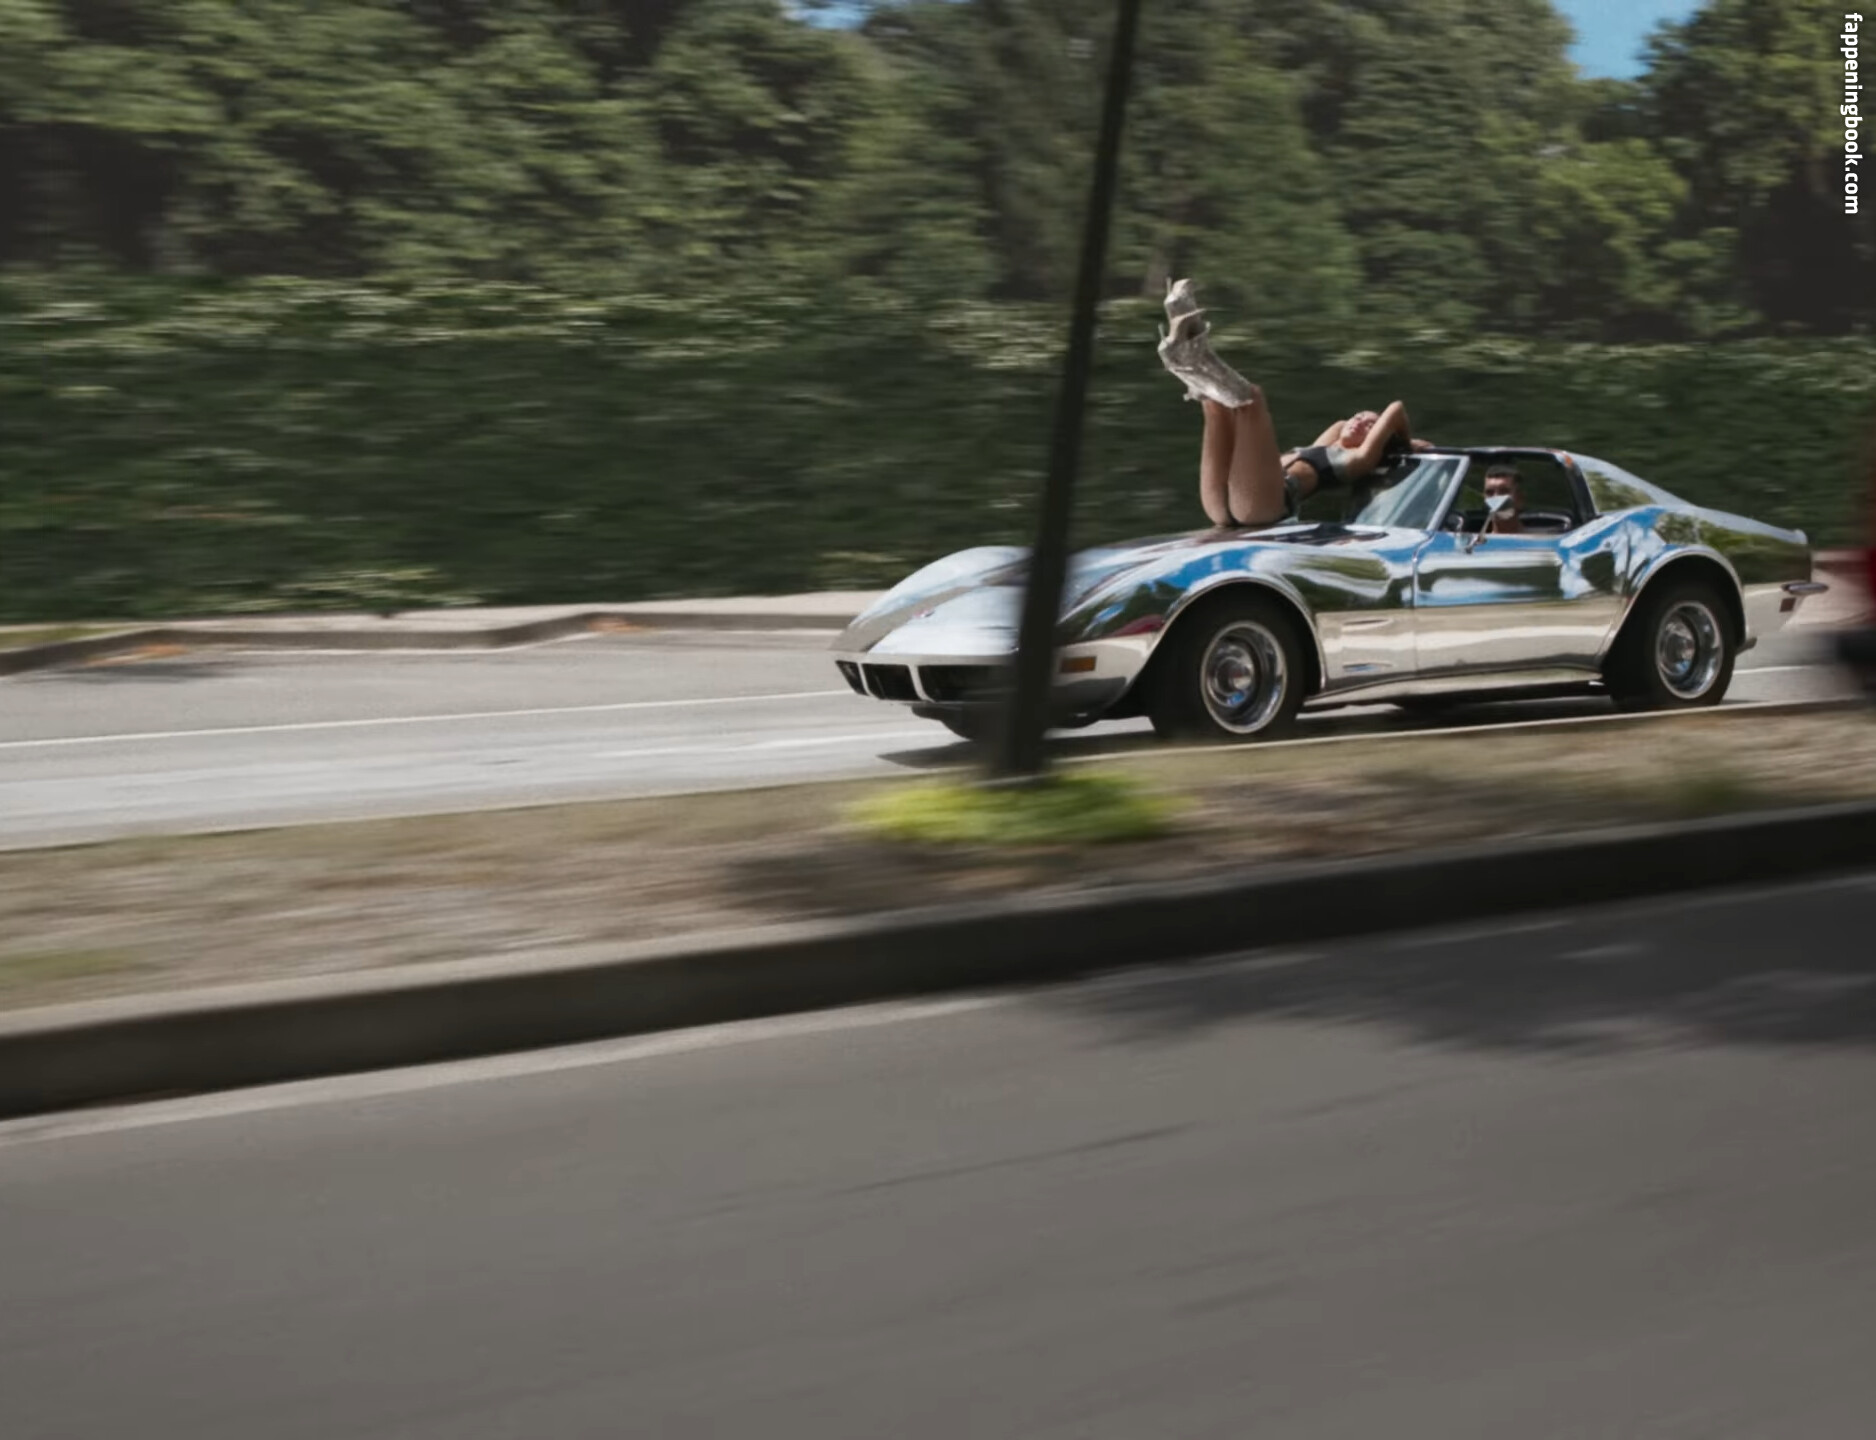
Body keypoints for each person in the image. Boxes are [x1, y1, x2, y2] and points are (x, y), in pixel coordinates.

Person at [1157, 278, 1425, 528]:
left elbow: (1396, 409)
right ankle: (1188, 342)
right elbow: (1342, 424)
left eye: (1370, 425)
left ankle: (1186, 356)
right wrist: (1367, 430)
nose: (1360, 421)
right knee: (1215, 405)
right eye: (1359, 415)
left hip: (1263, 503)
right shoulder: (1327, 445)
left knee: (1252, 401)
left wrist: (1404, 443)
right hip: (1225, 497)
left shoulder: (1359, 459)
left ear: (1376, 440)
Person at [1481, 465, 1527, 535]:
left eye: (1503, 492)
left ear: (1520, 499)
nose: (1495, 498)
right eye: (1489, 493)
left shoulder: (1537, 540)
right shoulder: (1476, 540)